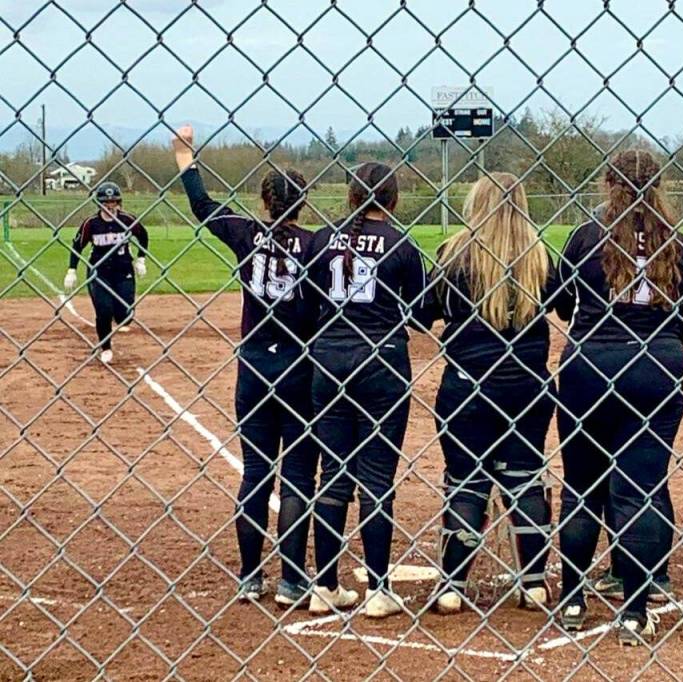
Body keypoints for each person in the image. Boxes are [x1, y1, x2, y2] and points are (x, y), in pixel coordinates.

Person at [554, 149, 683, 646]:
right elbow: (682, 313)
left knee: (580, 487)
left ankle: (572, 598)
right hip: (656, 365)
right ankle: (635, 610)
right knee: (640, 488)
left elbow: (561, 300)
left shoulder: (586, 235)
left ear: (608, 184)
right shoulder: (676, 240)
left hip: (589, 363)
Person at [171, 125, 319, 606]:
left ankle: (250, 576)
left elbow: (202, 206)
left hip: (255, 364)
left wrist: (185, 159)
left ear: (264, 201)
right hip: (299, 363)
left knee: (257, 471)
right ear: (301, 204)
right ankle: (293, 579)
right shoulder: (316, 246)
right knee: (298, 472)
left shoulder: (246, 234)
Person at [416, 172, 554, 614]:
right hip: (527, 384)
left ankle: (453, 586)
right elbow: (565, 304)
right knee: (525, 476)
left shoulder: (455, 252)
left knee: (465, 480)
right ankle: (533, 584)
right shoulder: (539, 254)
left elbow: (423, 314)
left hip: (467, 384)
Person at [305, 161, 427, 618]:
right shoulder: (402, 245)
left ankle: (324, 586)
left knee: (332, 478)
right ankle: (378, 589)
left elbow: (311, 298)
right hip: (381, 362)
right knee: (376, 479)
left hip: (329, 360)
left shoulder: (321, 239)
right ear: (391, 200)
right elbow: (420, 313)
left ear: (352, 195)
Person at [64, 181, 149, 363]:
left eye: (113, 202)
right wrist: (72, 270)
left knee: (124, 316)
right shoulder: (91, 224)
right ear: (99, 203)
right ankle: (106, 347)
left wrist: (141, 258)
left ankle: (120, 317)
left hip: (123, 269)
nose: (110, 206)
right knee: (104, 310)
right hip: (99, 271)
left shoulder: (127, 220)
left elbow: (143, 235)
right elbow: (77, 246)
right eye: (105, 202)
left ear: (119, 202)